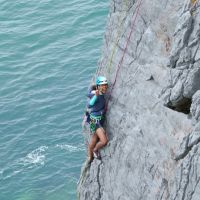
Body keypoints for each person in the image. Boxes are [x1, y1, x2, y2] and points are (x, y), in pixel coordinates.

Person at [86, 76, 108, 161]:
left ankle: (90, 157)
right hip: (95, 122)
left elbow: (90, 90)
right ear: (99, 87)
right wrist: (95, 96)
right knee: (104, 141)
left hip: (96, 120)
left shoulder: (100, 92)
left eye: (106, 85)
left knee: (94, 139)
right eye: (103, 85)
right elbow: (89, 105)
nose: (105, 87)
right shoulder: (96, 95)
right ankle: (95, 150)